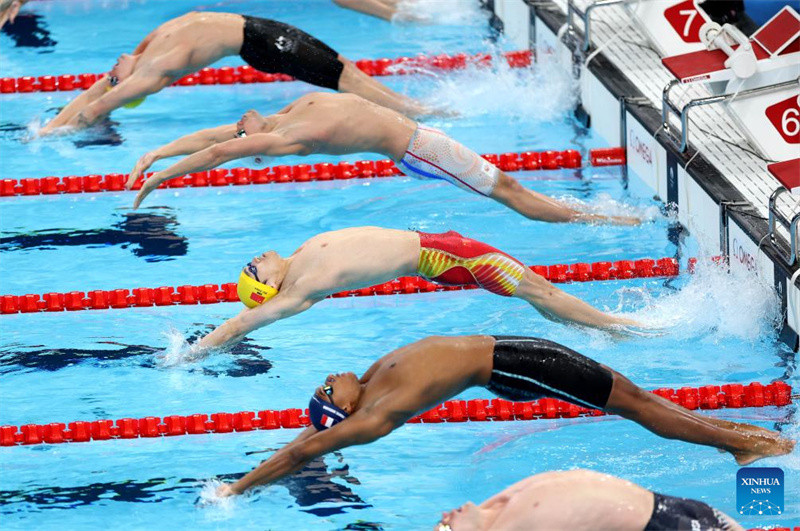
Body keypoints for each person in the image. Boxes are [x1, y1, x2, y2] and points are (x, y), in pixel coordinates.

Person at [215, 335, 793, 496]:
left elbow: (307, 438)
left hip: (514, 355)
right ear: (342, 411)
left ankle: (746, 436)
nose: (326, 378)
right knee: (638, 407)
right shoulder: (374, 413)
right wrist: (237, 489)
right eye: (325, 390)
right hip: (520, 366)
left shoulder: (367, 382)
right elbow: (301, 452)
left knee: (639, 400)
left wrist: (312, 428)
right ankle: (742, 446)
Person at [127, 92, 640, 226]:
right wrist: (161, 180)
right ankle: (602, 218)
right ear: (253, 145)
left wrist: (158, 151)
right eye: (245, 130)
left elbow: (219, 134)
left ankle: (597, 214)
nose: (242, 118)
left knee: (511, 188)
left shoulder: (280, 116)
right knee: (511, 192)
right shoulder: (285, 137)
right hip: (420, 150)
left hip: (423, 137)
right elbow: (220, 149)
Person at [191, 227, 644, 353]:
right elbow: (242, 323)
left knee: (537, 294)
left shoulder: (301, 254)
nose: (253, 259)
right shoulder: (300, 288)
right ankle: (625, 327)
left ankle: (598, 330)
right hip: (448, 255)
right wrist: (190, 352)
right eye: (253, 269)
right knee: (541, 291)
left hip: (441, 251)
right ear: (267, 286)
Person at [37, 12, 427, 136]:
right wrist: (58, 129)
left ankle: (417, 109)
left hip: (265, 33)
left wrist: (56, 126)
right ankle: (418, 111)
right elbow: (103, 95)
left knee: (348, 73)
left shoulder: (151, 58)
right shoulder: (151, 59)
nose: (112, 71)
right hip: (262, 39)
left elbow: (100, 97)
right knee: (347, 79)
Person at [433, 469, 744, 531]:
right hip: (665, 526)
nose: (445, 516)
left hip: (674, 505)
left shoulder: (498, 505)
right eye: (444, 528)